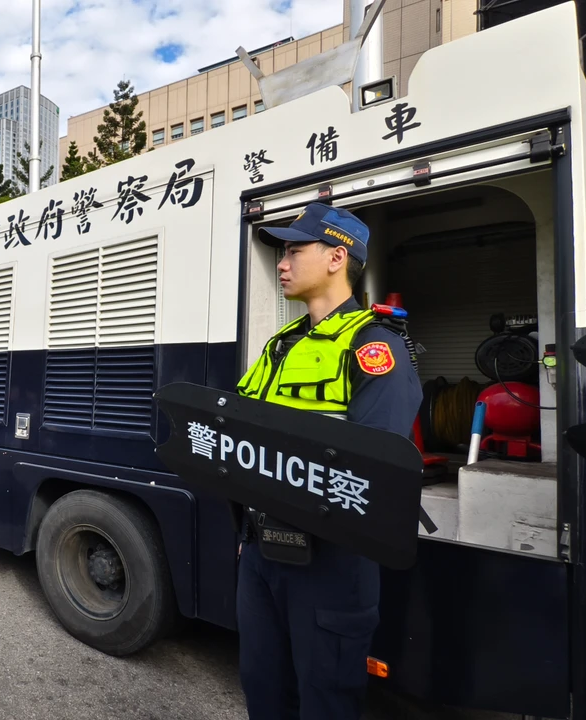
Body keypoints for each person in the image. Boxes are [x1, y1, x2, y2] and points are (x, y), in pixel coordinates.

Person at [234, 202, 422, 720]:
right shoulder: (281, 345)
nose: (282, 263)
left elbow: (375, 467)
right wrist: (245, 535)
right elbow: (242, 440)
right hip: (261, 553)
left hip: (331, 563)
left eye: (294, 251)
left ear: (337, 257)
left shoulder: (374, 346)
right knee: (263, 690)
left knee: (326, 701)